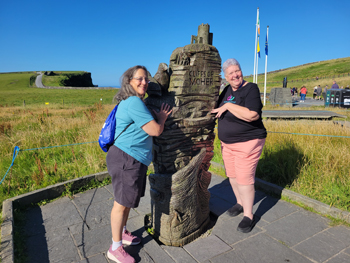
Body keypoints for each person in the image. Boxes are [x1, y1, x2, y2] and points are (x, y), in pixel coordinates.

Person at [106, 65, 172, 263]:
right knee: (121, 203)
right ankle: (115, 247)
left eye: (146, 79)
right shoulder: (134, 102)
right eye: (139, 79)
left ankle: (123, 233)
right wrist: (160, 118)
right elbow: (155, 130)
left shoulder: (132, 102)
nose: (144, 82)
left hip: (131, 157)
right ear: (129, 81)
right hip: (127, 158)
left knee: (126, 201)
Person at [211, 58, 267, 233]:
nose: (235, 75)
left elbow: (252, 115)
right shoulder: (226, 90)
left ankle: (249, 215)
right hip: (227, 144)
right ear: (226, 77)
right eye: (231, 73)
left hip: (248, 142)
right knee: (233, 176)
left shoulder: (251, 89)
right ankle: (240, 203)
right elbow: (216, 109)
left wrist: (229, 106)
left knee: (244, 180)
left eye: (237, 71)